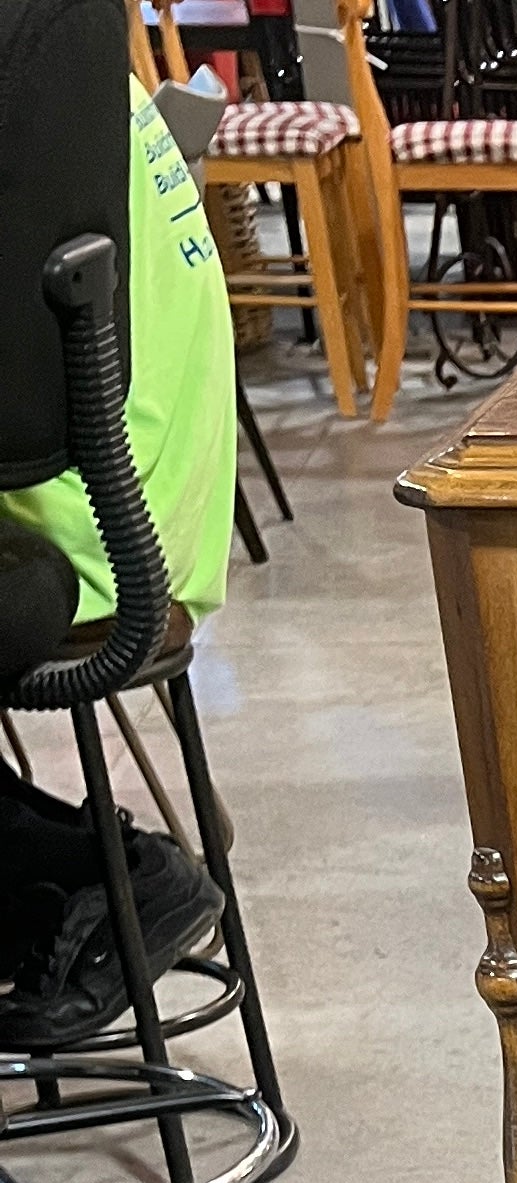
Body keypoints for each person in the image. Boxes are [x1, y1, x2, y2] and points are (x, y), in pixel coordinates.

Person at [0, 70, 236, 1050]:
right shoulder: (61, 37)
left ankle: (94, 879)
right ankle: (81, 877)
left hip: (82, 528)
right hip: (149, 506)